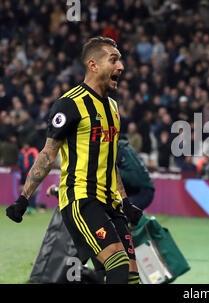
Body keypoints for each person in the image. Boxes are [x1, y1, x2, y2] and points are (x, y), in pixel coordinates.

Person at [6, 36, 142, 284]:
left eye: (120, 61)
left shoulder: (112, 107)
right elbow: (48, 155)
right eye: (114, 60)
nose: (121, 67)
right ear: (93, 65)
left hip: (111, 202)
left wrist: (125, 200)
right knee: (118, 264)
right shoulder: (70, 104)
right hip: (82, 199)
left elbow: (108, 161)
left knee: (131, 276)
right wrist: (24, 198)